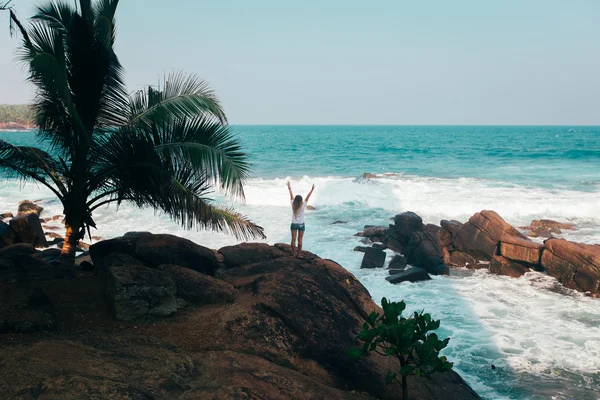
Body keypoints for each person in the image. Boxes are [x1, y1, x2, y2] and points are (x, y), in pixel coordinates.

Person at [286, 181, 315, 257]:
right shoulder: (303, 205)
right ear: (301, 200)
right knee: (300, 240)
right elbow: (308, 197)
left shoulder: (293, 204)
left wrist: (289, 187)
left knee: (293, 239)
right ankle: (299, 254)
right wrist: (312, 189)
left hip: (294, 224)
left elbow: (291, 195)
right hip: (301, 224)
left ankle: (294, 254)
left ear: (295, 200)